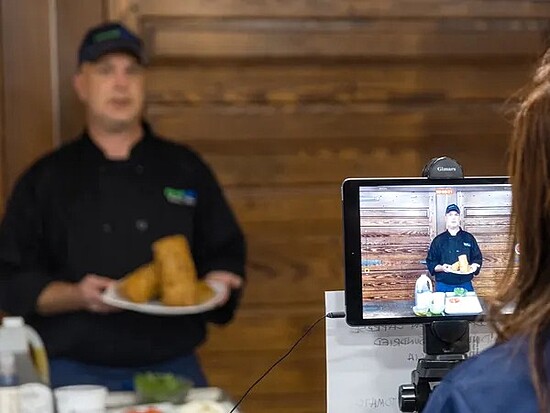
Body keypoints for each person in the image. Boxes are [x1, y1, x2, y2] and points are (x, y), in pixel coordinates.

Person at [0, 22, 246, 390]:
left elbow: (225, 253)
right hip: (72, 372)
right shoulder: (46, 178)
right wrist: (75, 295)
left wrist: (219, 282)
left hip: (173, 366)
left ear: (144, 84)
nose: (120, 83)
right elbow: (10, 280)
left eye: (131, 71)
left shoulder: (185, 168)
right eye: (105, 70)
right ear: (81, 85)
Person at [423, 50, 550, 413]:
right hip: (445, 291)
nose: (453, 223)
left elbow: (477, 262)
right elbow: (430, 265)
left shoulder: (476, 397)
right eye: (449, 220)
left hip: (465, 290)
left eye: (456, 219)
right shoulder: (438, 241)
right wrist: (442, 270)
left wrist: (470, 270)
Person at [425, 204, 482, 293]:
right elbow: (431, 262)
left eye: (456, 215)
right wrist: (442, 268)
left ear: (459, 218)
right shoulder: (438, 240)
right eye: (450, 215)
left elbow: (477, 258)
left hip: (465, 284)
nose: (453, 218)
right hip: (443, 286)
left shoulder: (469, 238)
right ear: (445, 218)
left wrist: (474, 267)